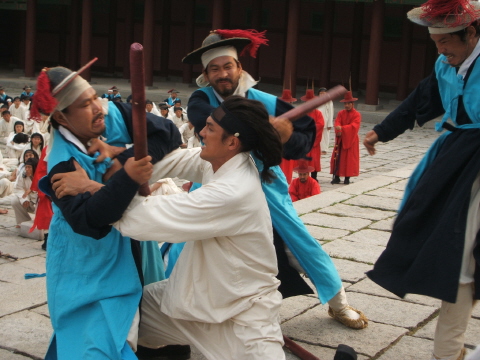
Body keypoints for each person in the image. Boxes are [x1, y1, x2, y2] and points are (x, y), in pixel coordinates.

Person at [181, 29, 368, 329]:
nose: (222, 74)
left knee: (297, 242)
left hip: (263, 181)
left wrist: (287, 133)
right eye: (214, 69)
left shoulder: (262, 100)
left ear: (239, 68)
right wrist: (263, 125)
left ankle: (338, 301)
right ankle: (190, 307)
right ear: (206, 75)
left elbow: (304, 130)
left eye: (227, 66)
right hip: (216, 182)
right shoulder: (200, 99)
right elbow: (210, 117)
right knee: (192, 244)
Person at [29, 61, 182, 360]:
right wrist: (128, 175)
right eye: (85, 104)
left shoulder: (105, 118)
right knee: (94, 334)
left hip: (132, 245)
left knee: (141, 321)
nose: (99, 107)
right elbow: (89, 220)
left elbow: (168, 134)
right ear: (62, 116)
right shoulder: (61, 162)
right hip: (86, 262)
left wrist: (122, 158)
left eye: (94, 96)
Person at [113, 96, 286, 360]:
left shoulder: (234, 191)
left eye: (210, 129)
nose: (201, 132)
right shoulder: (220, 160)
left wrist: (94, 191)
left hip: (241, 315)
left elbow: (146, 218)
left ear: (232, 142)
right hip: (188, 301)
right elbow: (173, 161)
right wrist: (117, 166)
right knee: (120, 314)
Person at [362, 1, 480, 359]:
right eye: (436, 43)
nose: (442, 50)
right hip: (451, 160)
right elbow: (418, 102)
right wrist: (382, 132)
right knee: (451, 247)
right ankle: (451, 349)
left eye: (447, 42)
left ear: (472, 33)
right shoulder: (445, 66)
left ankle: (449, 349)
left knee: (460, 248)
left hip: (474, 166)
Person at [330, 91, 361, 185]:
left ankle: (347, 178)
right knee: (338, 157)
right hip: (341, 139)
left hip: (351, 139)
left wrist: (342, 129)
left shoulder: (357, 114)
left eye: (348, 103)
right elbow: (337, 122)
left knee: (349, 159)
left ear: (352, 104)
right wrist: (338, 131)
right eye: (345, 103)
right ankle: (337, 176)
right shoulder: (341, 113)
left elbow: (354, 126)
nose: (346, 105)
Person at [299, 88, 324, 182]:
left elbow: (320, 125)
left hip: (313, 141)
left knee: (314, 159)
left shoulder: (318, 113)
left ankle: (314, 176)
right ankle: (303, 175)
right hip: (305, 140)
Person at [277, 88, 297, 184]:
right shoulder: (277, 114)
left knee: (288, 168)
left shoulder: (296, 115)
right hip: (279, 145)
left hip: (290, 145)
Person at [11, 157, 38, 227]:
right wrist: (24, 199)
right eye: (26, 167)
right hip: (29, 201)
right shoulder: (23, 174)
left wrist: (33, 189)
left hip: (39, 203)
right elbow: (18, 188)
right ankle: (23, 222)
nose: (27, 170)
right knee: (15, 201)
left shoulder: (41, 176)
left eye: (29, 167)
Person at [318, 87, 334, 155]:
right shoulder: (317, 101)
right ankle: (320, 149)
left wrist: (330, 124)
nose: (322, 95)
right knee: (319, 135)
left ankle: (325, 149)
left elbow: (331, 112)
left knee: (326, 135)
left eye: (323, 93)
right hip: (319, 121)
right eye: (321, 93)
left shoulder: (329, 101)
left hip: (326, 120)